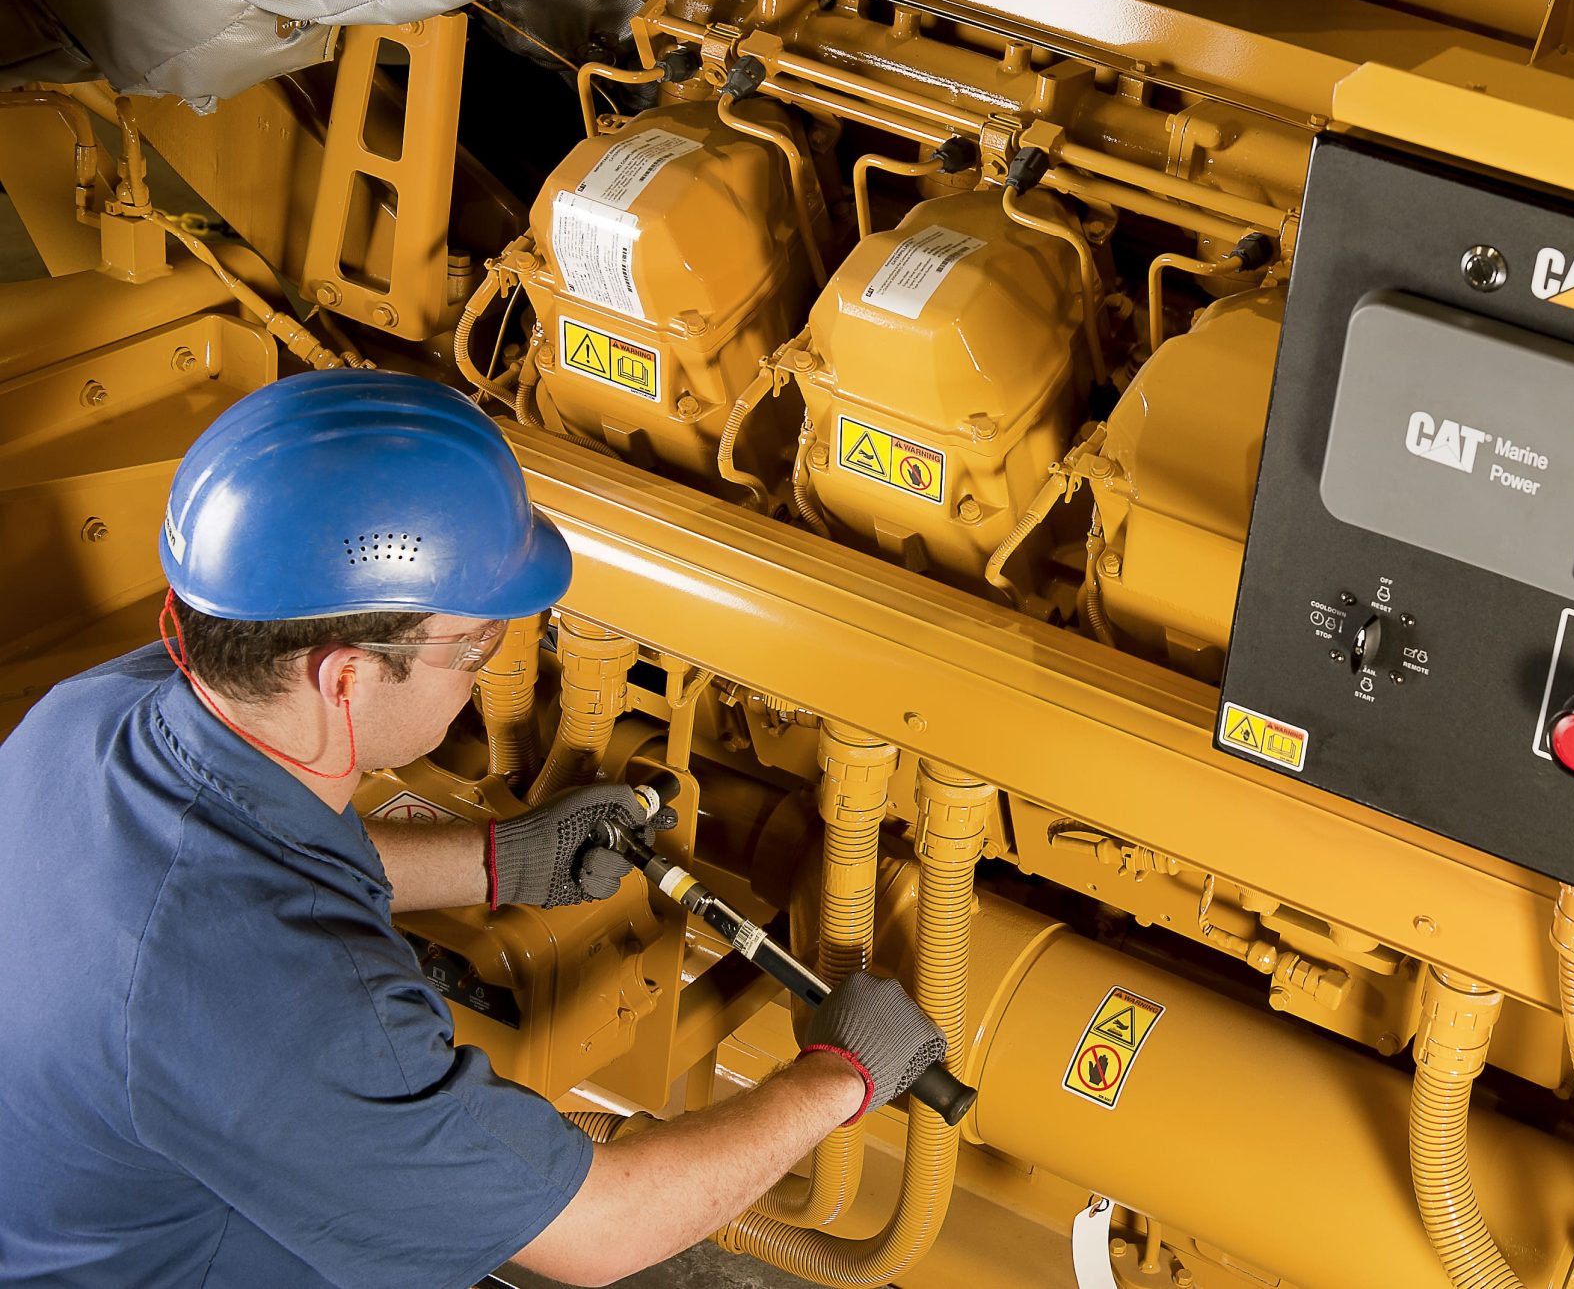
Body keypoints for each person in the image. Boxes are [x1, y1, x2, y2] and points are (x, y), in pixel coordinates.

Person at [0, 370, 941, 1287]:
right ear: (346, 676)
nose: (485, 668)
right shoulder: (295, 1009)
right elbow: (598, 1231)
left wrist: (496, 861)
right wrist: (835, 1076)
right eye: (475, 647)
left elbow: (255, 857)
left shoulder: (85, 719)